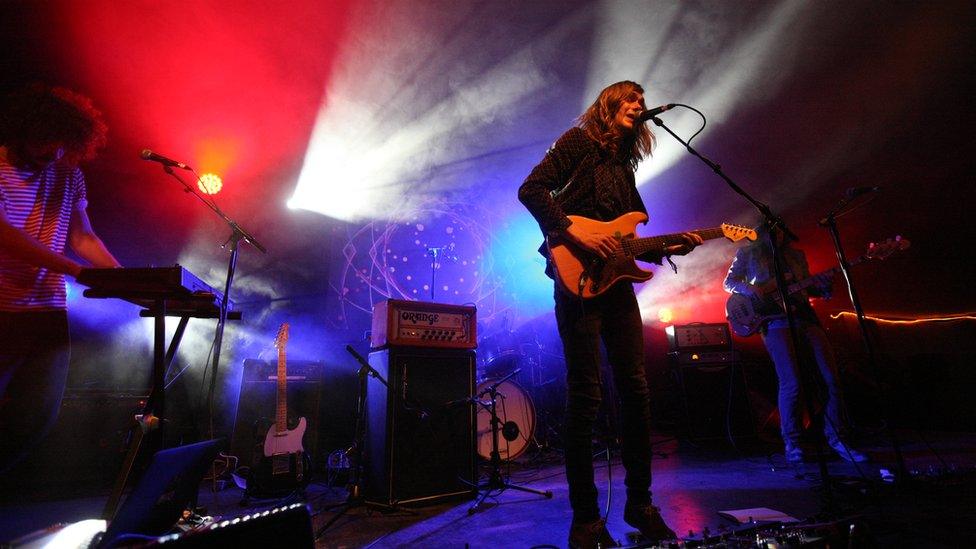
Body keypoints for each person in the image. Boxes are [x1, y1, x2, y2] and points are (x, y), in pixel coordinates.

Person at [518, 81, 702, 549]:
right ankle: (585, 517)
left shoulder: (626, 162)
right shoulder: (579, 142)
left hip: (615, 283)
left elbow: (627, 238)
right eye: (631, 100)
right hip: (576, 279)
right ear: (609, 105)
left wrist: (667, 247)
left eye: (642, 102)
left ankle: (640, 503)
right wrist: (573, 234)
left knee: (636, 389)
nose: (639, 107)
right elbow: (531, 189)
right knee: (586, 395)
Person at [0, 83, 121, 475]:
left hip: (46, 312)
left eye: (62, 144)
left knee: (34, 419)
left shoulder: (70, 174)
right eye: (46, 141)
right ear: (25, 130)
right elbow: (4, 234)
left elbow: (82, 237)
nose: (54, 152)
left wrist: (125, 279)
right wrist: (74, 270)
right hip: (2, 309)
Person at [723, 223, 868, 464]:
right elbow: (729, 283)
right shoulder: (747, 253)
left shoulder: (795, 256)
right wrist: (751, 289)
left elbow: (805, 289)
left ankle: (838, 439)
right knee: (792, 381)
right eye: (770, 229)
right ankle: (792, 443)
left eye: (779, 229)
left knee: (831, 379)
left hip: (804, 316)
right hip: (774, 321)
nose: (776, 233)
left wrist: (822, 287)